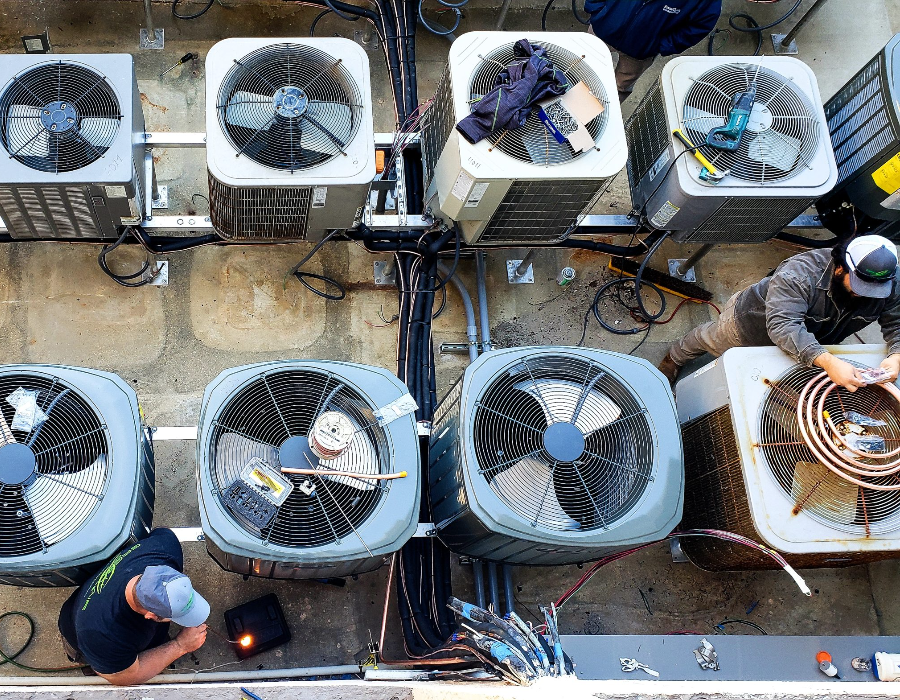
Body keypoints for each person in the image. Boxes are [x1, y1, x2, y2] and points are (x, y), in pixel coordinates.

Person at [659, 235, 900, 390]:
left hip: (812, 341)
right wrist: (828, 361)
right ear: (840, 268)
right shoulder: (799, 274)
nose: (867, 295)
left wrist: (896, 355)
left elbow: (896, 323)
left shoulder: (890, 282)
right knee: (710, 339)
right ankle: (674, 357)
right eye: (860, 287)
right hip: (751, 324)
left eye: (875, 291)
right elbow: (783, 326)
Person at [58, 528, 210, 685]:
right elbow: (125, 677)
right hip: (77, 631)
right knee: (108, 667)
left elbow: (160, 532)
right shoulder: (102, 635)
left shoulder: (165, 547)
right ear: (150, 615)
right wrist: (180, 645)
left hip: (101, 613)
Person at [584, 0, 722, 102]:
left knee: (620, 86)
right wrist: (596, 10)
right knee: (585, 67)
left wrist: (661, 45)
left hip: (640, 51)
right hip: (603, 29)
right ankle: (579, 97)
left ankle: (603, 110)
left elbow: (701, 24)